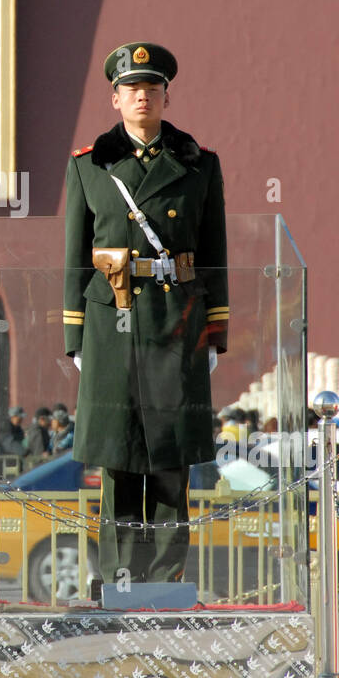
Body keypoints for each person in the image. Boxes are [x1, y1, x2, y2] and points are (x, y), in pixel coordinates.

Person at [63, 41, 228, 585]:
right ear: (115, 99)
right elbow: (73, 255)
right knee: (118, 456)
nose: (142, 96)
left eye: (151, 88)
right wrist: (76, 337)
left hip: (174, 322)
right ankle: (118, 578)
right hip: (111, 322)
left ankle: (163, 579)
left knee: (169, 457)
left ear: (165, 96)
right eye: (131, 89)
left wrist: (215, 334)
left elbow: (213, 253)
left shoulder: (199, 164)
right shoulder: (90, 166)